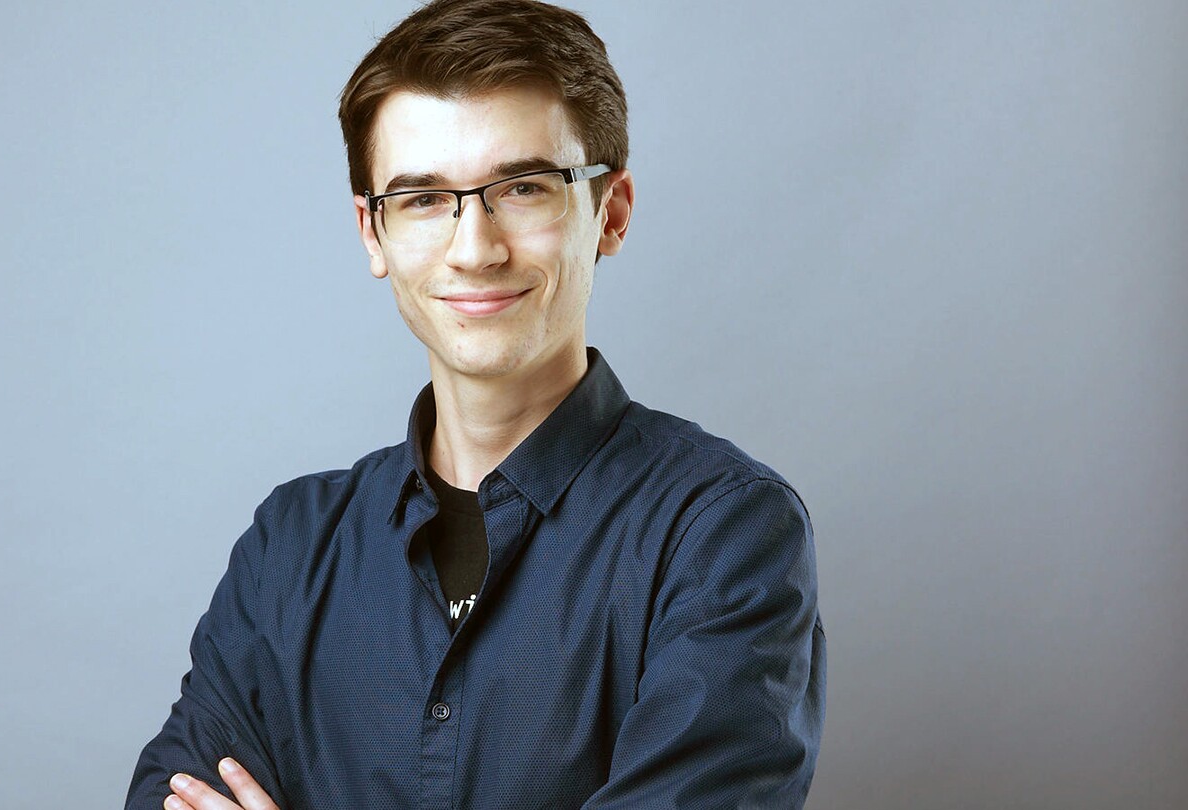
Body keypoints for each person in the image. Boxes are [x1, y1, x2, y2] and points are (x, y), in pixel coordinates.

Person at [126, 1, 825, 807]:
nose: (475, 248)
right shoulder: (289, 548)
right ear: (371, 234)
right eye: (423, 199)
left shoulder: (723, 535)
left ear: (612, 212)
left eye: (523, 188)